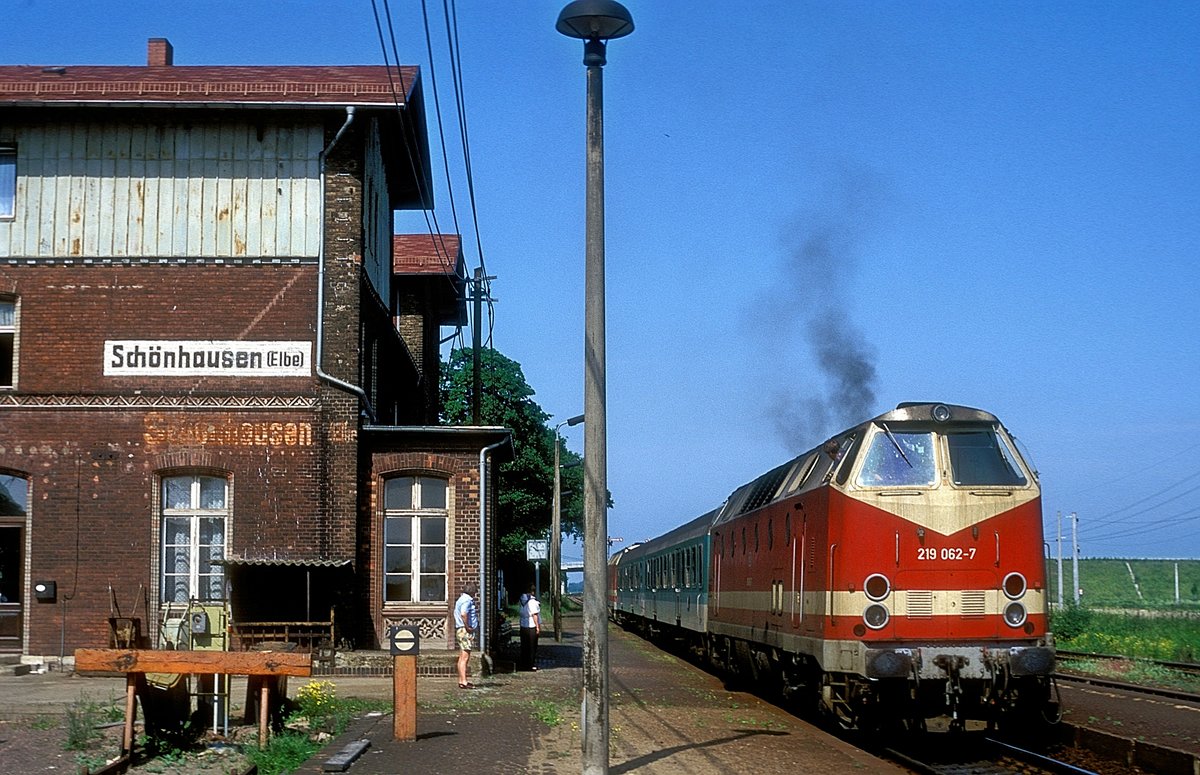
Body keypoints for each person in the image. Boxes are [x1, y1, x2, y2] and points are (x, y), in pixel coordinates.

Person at [453, 581, 479, 689]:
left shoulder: (461, 599)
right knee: (465, 656)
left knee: (462, 656)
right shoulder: (467, 600)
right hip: (464, 630)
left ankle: (461, 680)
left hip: (460, 629)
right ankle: (463, 681)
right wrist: (468, 626)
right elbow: (464, 614)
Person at [518, 584, 541, 671]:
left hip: (523, 625)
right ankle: (531, 664)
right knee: (532, 647)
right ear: (532, 592)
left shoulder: (521, 601)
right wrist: (538, 627)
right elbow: (535, 615)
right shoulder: (533, 602)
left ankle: (524, 663)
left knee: (524, 646)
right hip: (531, 626)